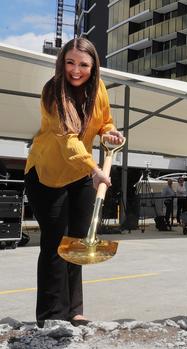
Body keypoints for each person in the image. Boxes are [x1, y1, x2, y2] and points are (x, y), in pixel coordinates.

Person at [24, 38, 124, 327]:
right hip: (48, 174)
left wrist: (110, 132)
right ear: (61, 62)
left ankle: (74, 310)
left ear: (93, 67)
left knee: (78, 241)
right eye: (70, 62)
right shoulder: (53, 92)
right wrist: (94, 169)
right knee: (56, 242)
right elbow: (69, 142)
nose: (76, 70)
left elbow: (105, 120)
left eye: (83, 64)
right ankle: (51, 315)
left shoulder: (99, 88)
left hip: (80, 173)